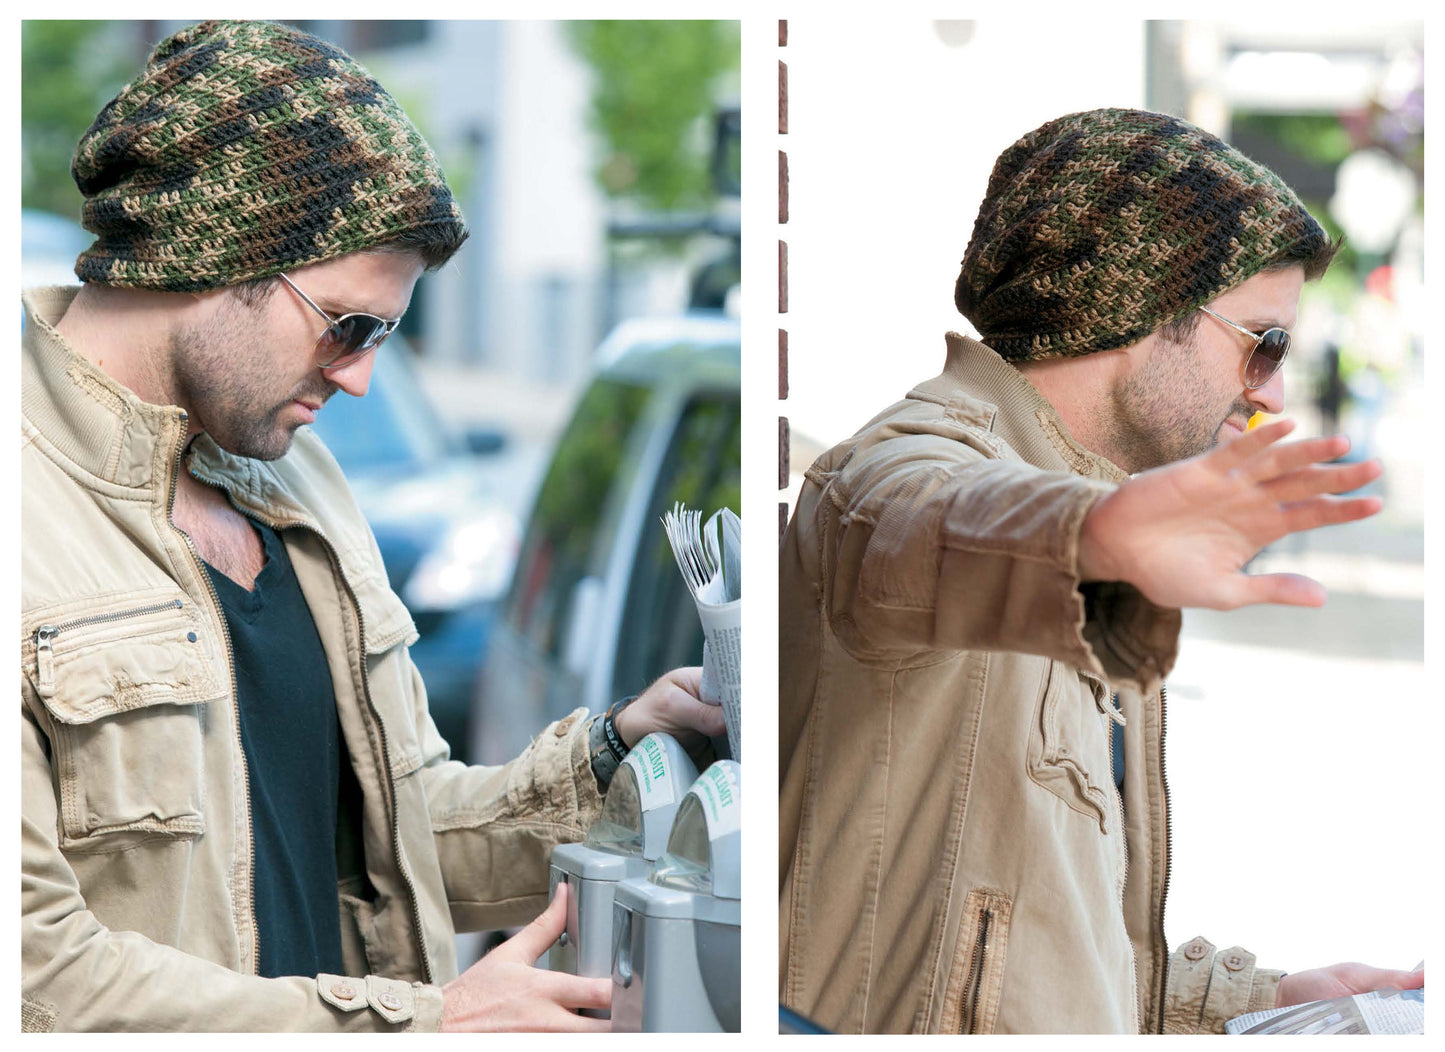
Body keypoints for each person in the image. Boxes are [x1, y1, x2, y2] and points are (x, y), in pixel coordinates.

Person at [21, 21, 725, 1033]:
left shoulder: (298, 481)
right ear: (217, 250)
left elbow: (398, 835)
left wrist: (615, 751)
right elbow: (37, 972)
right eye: (346, 326)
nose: (358, 377)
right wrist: (419, 1022)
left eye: (387, 335)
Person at [778, 108, 1423, 1034]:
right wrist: (1096, 534)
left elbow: (1030, 940)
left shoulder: (1080, 497)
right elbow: (909, 520)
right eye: (1262, 343)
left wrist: (1264, 1001)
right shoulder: (908, 467)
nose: (1271, 392)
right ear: (1137, 305)